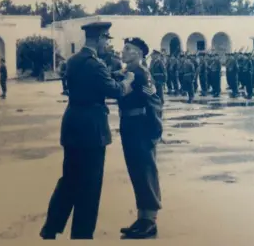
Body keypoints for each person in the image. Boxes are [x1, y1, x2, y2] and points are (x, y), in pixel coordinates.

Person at [39, 22, 135, 240]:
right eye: (106, 40)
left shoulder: (74, 61)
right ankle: (82, 235)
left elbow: (91, 80)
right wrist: (128, 80)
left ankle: (51, 227)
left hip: (72, 123)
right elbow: (116, 91)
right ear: (99, 38)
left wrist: (112, 74)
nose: (107, 45)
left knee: (70, 179)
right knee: (90, 185)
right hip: (92, 129)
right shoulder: (95, 64)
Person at [118, 37, 163, 239]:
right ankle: (142, 217)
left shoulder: (141, 74)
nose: (123, 52)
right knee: (136, 171)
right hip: (129, 125)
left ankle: (150, 220)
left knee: (145, 171)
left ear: (138, 53)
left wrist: (155, 131)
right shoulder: (129, 73)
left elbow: (154, 102)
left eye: (128, 49)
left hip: (141, 127)